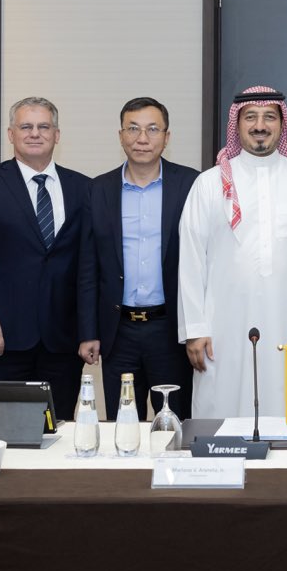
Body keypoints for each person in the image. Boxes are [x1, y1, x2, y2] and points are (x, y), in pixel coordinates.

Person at [178, 86, 287, 418]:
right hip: (222, 327)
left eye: (269, 117)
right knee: (222, 408)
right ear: (237, 125)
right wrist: (194, 328)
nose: (260, 125)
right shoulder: (209, 184)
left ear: (283, 125)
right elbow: (192, 261)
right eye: (250, 117)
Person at [0, 97, 91, 418]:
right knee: (0, 428)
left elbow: (89, 265)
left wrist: (89, 330)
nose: (35, 133)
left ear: (57, 135)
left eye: (44, 126)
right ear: (11, 134)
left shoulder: (83, 188)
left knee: (58, 428)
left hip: (62, 342)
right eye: (26, 126)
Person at [78, 97, 197, 420]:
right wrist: (89, 331)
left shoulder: (191, 185)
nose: (142, 138)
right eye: (133, 129)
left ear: (167, 137)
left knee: (175, 422)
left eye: (152, 129)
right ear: (121, 136)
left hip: (170, 330)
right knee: (123, 422)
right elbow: (88, 267)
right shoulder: (98, 189)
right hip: (119, 332)